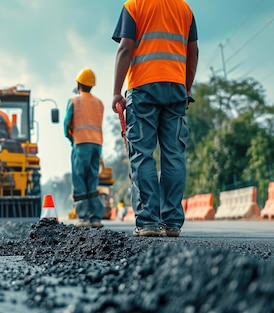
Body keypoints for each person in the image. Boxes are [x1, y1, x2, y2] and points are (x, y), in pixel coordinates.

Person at [111, 0, 198, 237]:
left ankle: (148, 222)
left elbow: (126, 48)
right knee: (174, 155)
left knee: (142, 154)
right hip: (176, 90)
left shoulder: (134, 5)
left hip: (143, 90)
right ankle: (171, 223)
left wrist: (117, 91)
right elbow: (193, 52)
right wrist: (187, 89)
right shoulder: (184, 9)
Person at [63, 68, 106, 229]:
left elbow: (67, 123)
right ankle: (95, 218)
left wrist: (70, 138)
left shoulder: (74, 101)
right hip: (97, 145)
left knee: (80, 179)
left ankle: (83, 217)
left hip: (80, 144)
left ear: (79, 84)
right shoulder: (99, 103)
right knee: (92, 179)